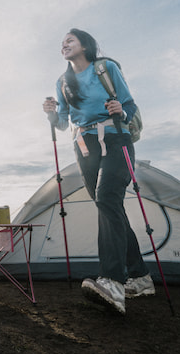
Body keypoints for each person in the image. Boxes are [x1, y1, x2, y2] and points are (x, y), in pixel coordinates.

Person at [42, 29, 154, 315]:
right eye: (62, 43)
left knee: (106, 198)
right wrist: (52, 114)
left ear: (84, 44)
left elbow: (129, 104)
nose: (64, 44)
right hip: (84, 145)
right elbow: (64, 123)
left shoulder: (106, 68)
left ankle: (112, 281)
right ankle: (140, 278)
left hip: (116, 136)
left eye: (70, 40)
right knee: (109, 207)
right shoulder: (63, 82)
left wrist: (120, 108)